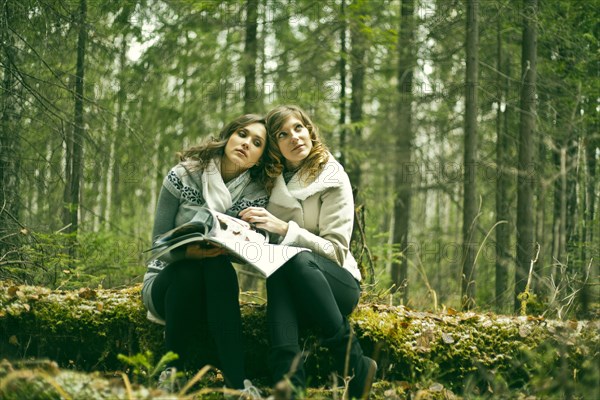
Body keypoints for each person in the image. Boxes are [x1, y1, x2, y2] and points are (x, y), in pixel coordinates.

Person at [239, 105, 377, 399]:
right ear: (275, 147)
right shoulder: (269, 179)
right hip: (291, 288)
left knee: (296, 258)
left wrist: (285, 229)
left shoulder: (332, 176)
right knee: (280, 267)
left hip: (336, 286)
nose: (295, 138)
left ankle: (354, 361)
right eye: (283, 134)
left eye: (299, 128)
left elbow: (337, 251)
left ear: (309, 130)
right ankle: (288, 383)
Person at [141, 114, 267, 398]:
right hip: (168, 279)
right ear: (229, 136)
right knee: (189, 270)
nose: (247, 144)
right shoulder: (184, 175)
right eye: (242, 134)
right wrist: (188, 252)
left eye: (257, 143)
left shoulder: (256, 193)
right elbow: (157, 244)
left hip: (214, 284)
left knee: (219, 265)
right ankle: (170, 373)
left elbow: (251, 255)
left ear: (259, 158)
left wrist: (236, 244)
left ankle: (236, 384)